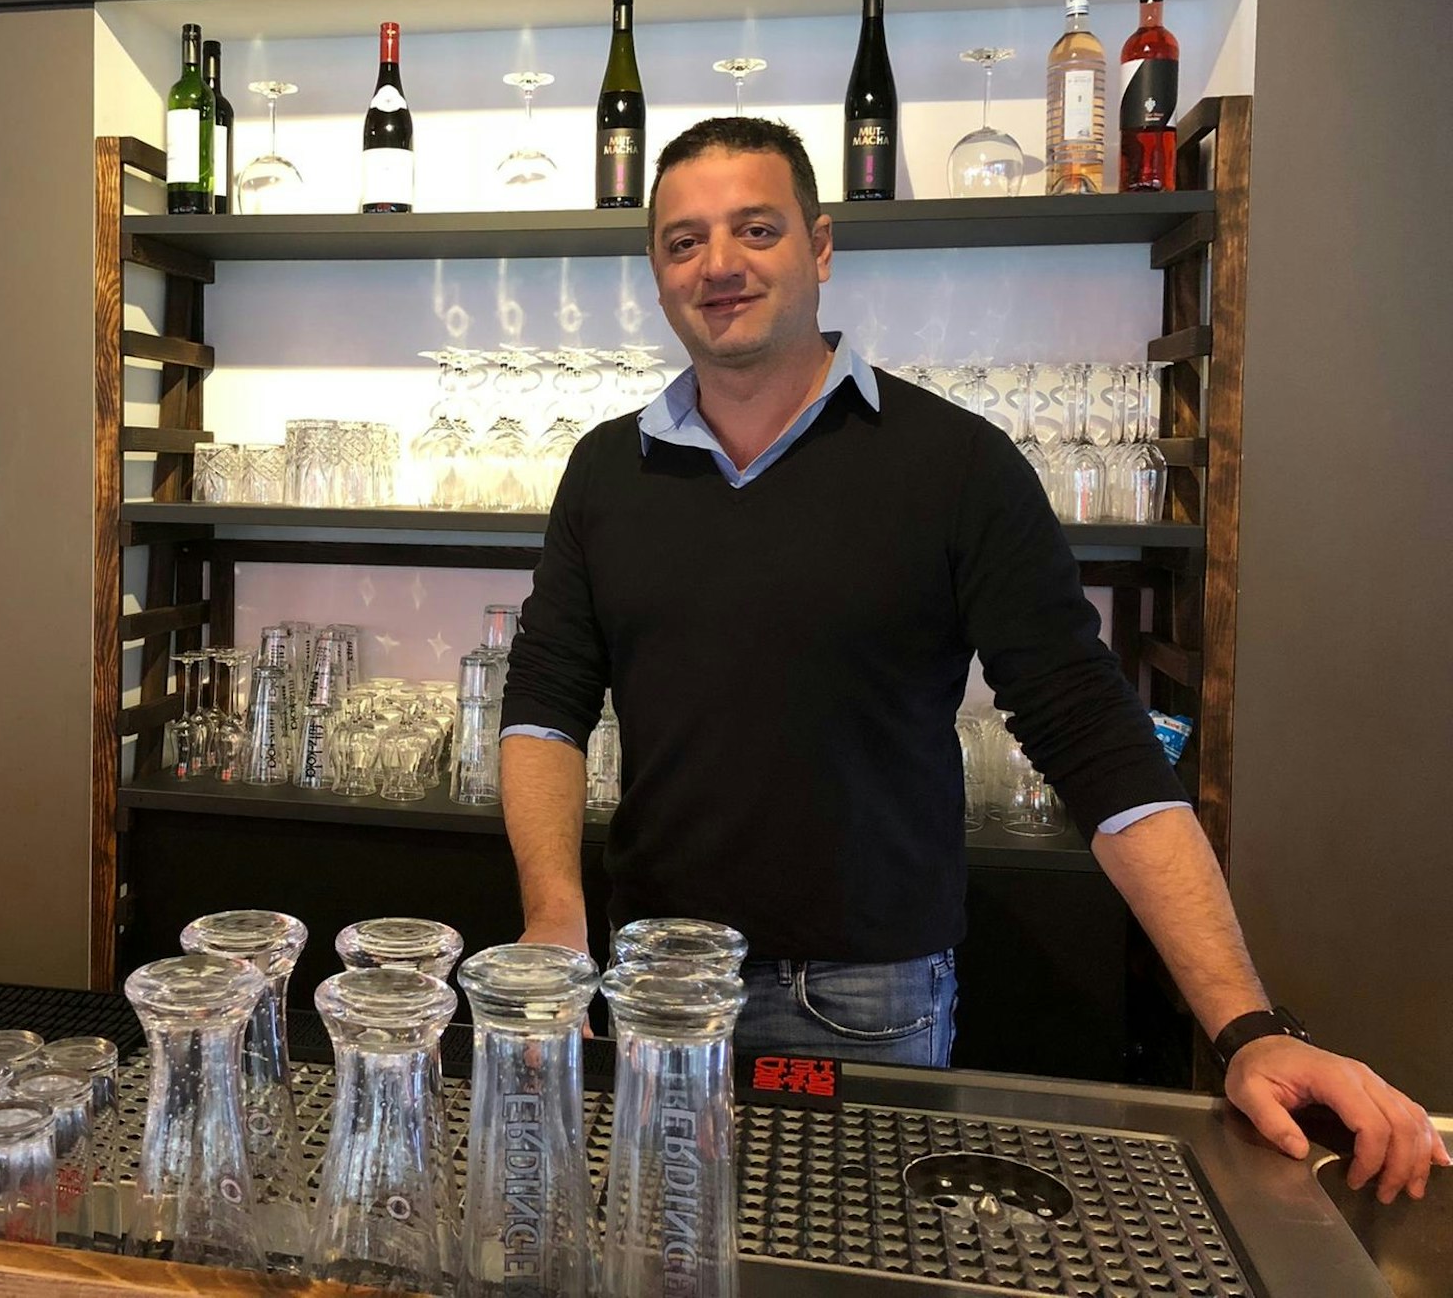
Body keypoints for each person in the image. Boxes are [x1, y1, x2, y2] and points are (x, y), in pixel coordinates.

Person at [499, 116, 1446, 1205]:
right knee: (649, 1256)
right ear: (656, 275)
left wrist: (1244, 1026)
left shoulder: (953, 465)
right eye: (682, 241)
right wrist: (554, 927)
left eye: (753, 229)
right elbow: (543, 705)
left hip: (858, 993)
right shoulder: (605, 472)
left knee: (842, 1273)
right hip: (654, 976)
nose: (717, 264)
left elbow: (1089, 733)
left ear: (818, 246)